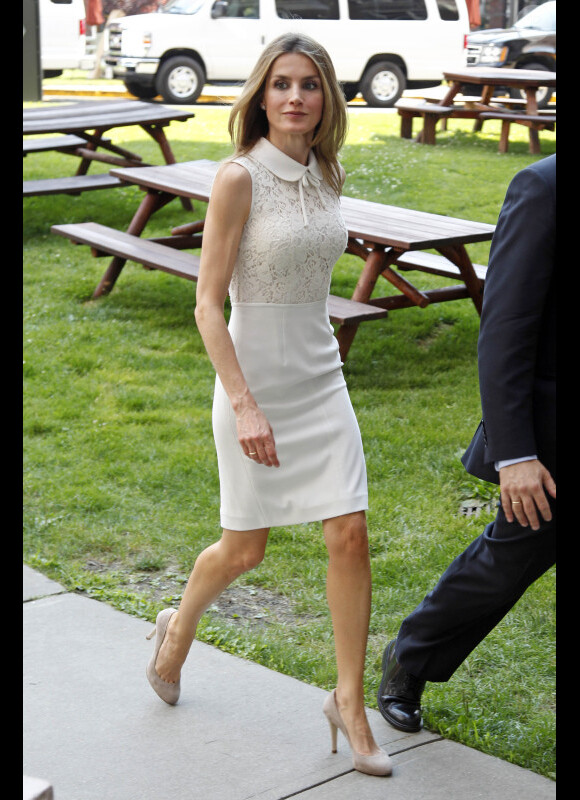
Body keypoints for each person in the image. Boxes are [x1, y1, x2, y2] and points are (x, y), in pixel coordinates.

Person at [145, 33, 392, 777]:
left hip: (322, 377)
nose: (294, 97)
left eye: (309, 85)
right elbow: (206, 306)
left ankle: (348, 702)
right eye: (281, 83)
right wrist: (246, 405)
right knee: (245, 549)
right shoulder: (238, 178)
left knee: (349, 532)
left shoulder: (327, 169)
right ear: (260, 94)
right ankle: (178, 627)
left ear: (326, 99)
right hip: (251, 384)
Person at [377, 154, 556, 733]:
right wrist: (515, 454)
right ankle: (411, 654)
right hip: (548, 439)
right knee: (509, 560)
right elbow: (505, 329)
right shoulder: (542, 187)